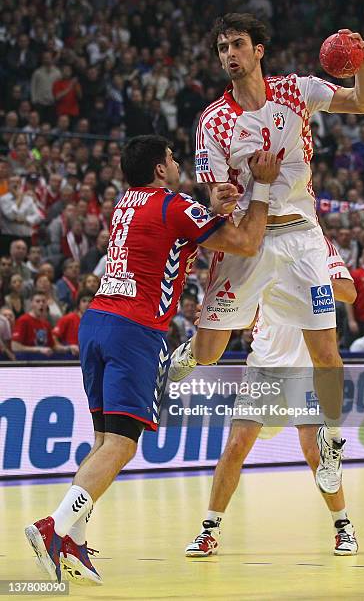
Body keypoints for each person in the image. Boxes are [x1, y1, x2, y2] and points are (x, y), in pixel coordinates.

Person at [24, 134, 281, 585]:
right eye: (172, 158)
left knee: (105, 442)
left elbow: (172, 236)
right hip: (135, 329)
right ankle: (54, 527)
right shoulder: (176, 205)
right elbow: (245, 241)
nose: (178, 162)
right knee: (123, 446)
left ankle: (74, 542)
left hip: (96, 321)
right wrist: (260, 187)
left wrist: (211, 205)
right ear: (161, 169)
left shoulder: (127, 202)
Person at [170, 13, 364, 495]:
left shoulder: (297, 90)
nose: (229, 55)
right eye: (222, 48)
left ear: (258, 49)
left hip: (303, 237)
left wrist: (361, 61)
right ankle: (189, 348)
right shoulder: (213, 120)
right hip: (249, 239)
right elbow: (217, 192)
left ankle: (329, 441)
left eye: (237, 45)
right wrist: (221, 197)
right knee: (209, 352)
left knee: (327, 354)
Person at [185, 239, 359, 558]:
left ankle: (343, 527)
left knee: (314, 451)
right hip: (264, 366)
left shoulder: (320, 246)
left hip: (306, 367)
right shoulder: (257, 245)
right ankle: (209, 530)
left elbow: (349, 292)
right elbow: (251, 312)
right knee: (236, 446)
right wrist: (216, 316)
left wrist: (305, 278)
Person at [11, 292, 54, 356]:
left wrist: (68, 348)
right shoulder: (23, 320)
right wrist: (38, 349)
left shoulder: (46, 324)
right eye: (37, 301)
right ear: (31, 303)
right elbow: (15, 347)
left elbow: (53, 347)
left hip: (43, 361)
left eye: (43, 301)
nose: (41, 304)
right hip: (27, 362)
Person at [53, 290, 93, 356]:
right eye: (84, 301)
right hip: (69, 359)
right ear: (78, 304)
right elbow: (53, 338)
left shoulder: (98, 322)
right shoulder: (67, 319)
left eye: (90, 301)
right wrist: (66, 348)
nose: (87, 304)